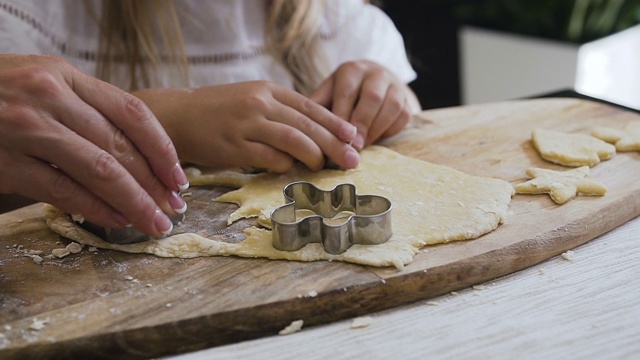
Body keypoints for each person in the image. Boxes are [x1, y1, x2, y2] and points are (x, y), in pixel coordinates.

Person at [0, 0, 420, 237]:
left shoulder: (339, 18)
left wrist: (389, 99)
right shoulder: (34, 14)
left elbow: (413, 120)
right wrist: (170, 120)